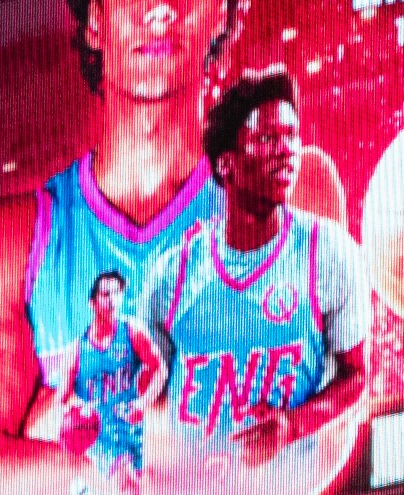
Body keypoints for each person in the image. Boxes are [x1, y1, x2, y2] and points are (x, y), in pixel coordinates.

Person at [0, 0, 349, 495]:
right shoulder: (15, 240)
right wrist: (173, 466)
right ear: (95, 20)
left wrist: (68, 430)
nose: (161, 6)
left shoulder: (296, 193)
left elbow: (327, 444)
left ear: (222, 12)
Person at [141, 69, 377, 472]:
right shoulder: (171, 277)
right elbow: (147, 396)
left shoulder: (330, 252)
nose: (286, 150)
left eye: (292, 136)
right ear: (226, 165)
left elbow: (356, 376)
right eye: (268, 139)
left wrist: (292, 425)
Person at [51, 267, 181, 495]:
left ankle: (89, 494)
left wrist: (142, 402)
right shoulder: (78, 350)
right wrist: (79, 412)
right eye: (105, 294)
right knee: (128, 487)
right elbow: (63, 397)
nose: (112, 299)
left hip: (131, 429)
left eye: (117, 293)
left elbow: (160, 369)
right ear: (93, 302)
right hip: (99, 435)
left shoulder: (132, 333)